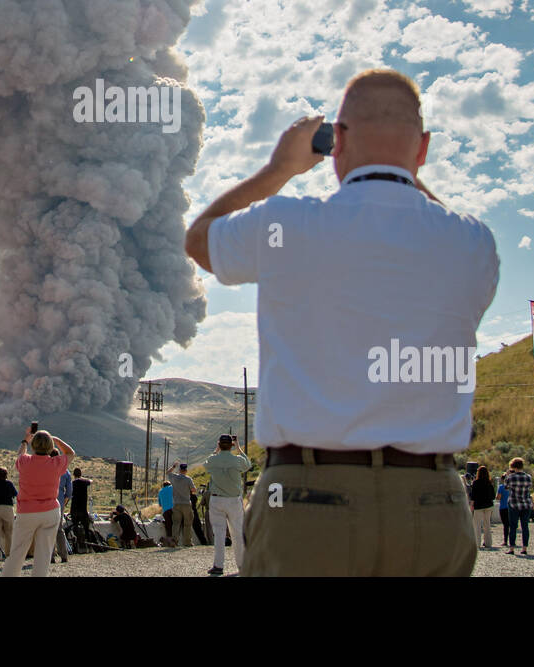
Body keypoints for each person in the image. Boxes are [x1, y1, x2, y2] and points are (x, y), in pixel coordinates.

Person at [185, 70, 499, 576]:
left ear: (337, 142)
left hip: (307, 500)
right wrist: (400, 165)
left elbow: (200, 239)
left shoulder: (286, 222)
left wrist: (278, 169)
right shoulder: (473, 244)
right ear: (425, 150)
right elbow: (436, 222)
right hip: (431, 501)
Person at [2, 427, 75, 577]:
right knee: (44, 555)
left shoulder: (25, 461)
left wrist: (25, 441)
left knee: (17, 553)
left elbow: (20, 454)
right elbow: (70, 453)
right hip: (50, 512)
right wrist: (56, 440)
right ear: (50, 447)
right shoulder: (56, 463)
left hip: (26, 512)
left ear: (33, 446)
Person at [200, 434, 252, 575]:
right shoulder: (237, 460)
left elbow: (206, 464)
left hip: (217, 500)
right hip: (234, 500)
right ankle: (242, 565)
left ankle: (218, 566)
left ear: (219, 444)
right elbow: (248, 464)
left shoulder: (213, 459)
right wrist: (239, 448)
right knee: (237, 534)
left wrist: (216, 450)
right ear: (231, 445)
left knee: (219, 534)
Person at [503, 458, 532, 556]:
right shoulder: (528, 477)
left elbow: (506, 487)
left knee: (513, 526)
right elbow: (529, 488)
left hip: (514, 503)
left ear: (513, 466)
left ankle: (511, 548)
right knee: (525, 527)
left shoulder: (511, 477)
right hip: (526, 504)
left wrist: (507, 476)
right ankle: (524, 548)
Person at [0, 467, 18, 556]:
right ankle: (10, 553)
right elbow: (15, 494)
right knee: (9, 532)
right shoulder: (9, 484)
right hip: (8, 508)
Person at [166, 462, 196, 548]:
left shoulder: (174, 477)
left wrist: (173, 466)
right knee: (187, 523)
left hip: (176, 503)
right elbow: (193, 490)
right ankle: (187, 542)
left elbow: (167, 472)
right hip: (186, 503)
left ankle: (174, 541)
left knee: (176, 523)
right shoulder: (188, 479)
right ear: (186, 470)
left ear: (179, 470)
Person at [470, 465, 496, 550]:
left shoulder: (476, 483)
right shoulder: (489, 483)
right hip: (488, 505)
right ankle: (488, 543)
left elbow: (473, 496)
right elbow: (493, 495)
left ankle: (477, 543)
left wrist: (471, 505)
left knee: (477, 525)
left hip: (478, 506)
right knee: (487, 524)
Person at [69, 467, 94, 549]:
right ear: (80, 474)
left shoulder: (72, 483)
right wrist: (83, 478)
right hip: (83, 510)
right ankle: (89, 545)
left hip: (74, 509)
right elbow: (91, 481)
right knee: (86, 528)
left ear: (74, 475)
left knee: (75, 527)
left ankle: (76, 546)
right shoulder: (84, 482)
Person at [54, 461, 72, 562]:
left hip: (47, 501)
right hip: (60, 501)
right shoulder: (65, 471)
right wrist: (64, 502)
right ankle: (64, 555)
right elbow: (69, 492)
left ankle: (50, 555)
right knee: (59, 529)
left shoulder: (45, 468)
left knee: (48, 529)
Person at [497, 474, 511, 546]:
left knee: (505, 525)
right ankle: (512, 541)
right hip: (511, 507)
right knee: (511, 524)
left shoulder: (501, 487)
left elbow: (498, 497)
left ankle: (505, 541)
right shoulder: (511, 487)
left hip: (503, 507)